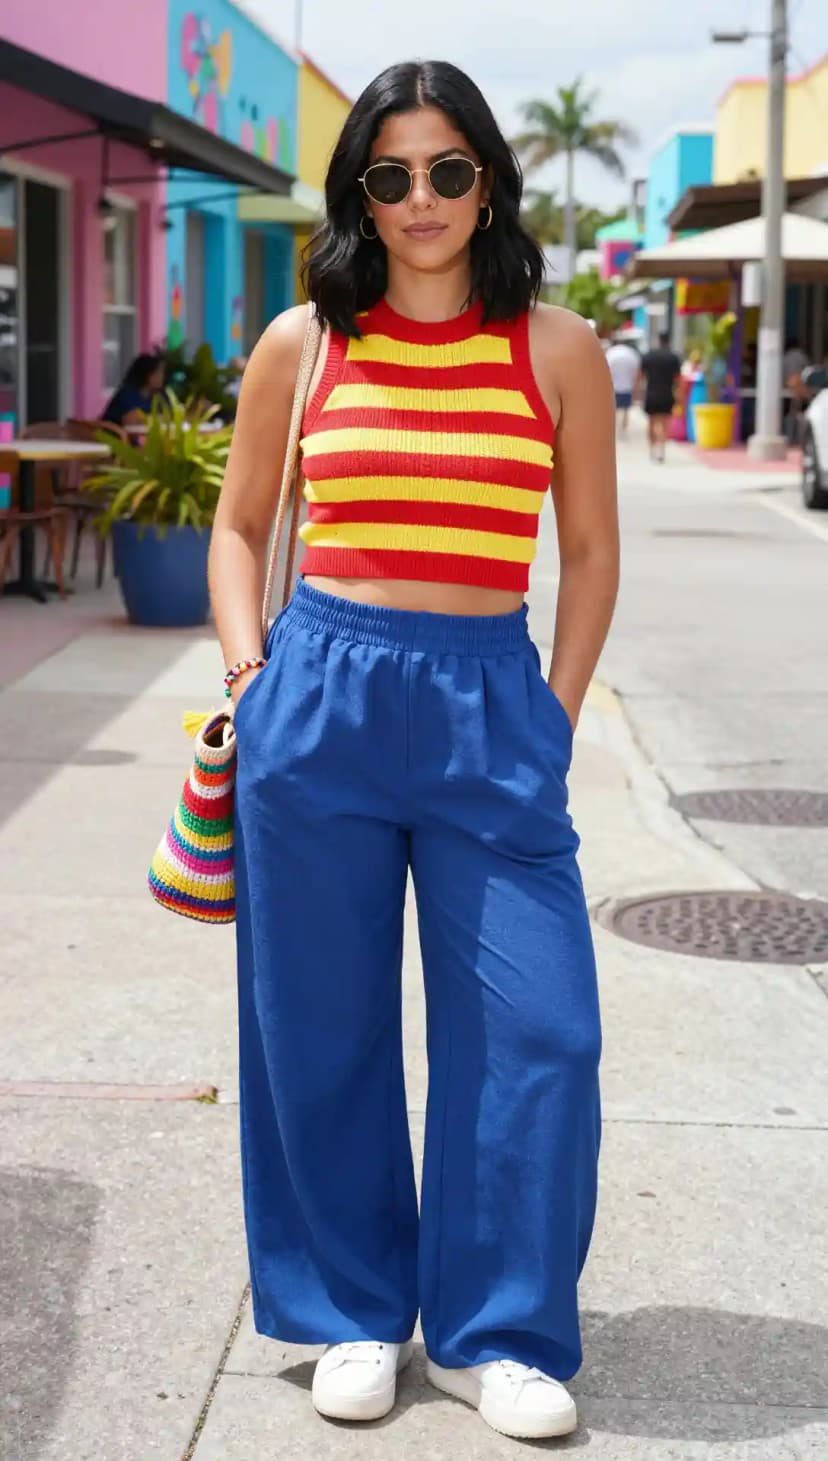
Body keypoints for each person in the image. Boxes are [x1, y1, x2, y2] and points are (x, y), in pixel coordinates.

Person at [209, 59, 618, 1443]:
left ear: (487, 179)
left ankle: (499, 1328)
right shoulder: (303, 344)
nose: (422, 198)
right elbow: (238, 525)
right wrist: (253, 677)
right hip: (318, 699)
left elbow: (593, 551)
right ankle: (351, 1311)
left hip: (491, 706)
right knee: (315, 1030)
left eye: (448, 170)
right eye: (391, 175)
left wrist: (552, 716)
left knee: (543, 1031)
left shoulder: (554, 348)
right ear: (360, 196)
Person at [639, 331, 681, 461]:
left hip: (651, 393)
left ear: (659, 340)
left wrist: (639, 392)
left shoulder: (649, 356)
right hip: (666, 393)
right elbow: (678, 379)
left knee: (651, 422)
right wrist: (679, 396)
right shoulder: (673, 357)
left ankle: (652, 449)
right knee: (664, 423)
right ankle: (661, 450)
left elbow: (640, 376)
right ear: (669, 341)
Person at [102, 354, 164, 426]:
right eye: (157, 373)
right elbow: (131, 421)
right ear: (146, 374)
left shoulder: (156, 396)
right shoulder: (127, 394)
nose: (161, 377)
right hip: (113, 435)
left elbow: (166, 416)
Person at [605, 336, 640, 435]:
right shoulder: (631, 353)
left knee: (613, 409)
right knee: (625, 410)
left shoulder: (611, 353)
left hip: (613, 386)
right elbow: (636, 372)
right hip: (627, 386)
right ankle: (623, 428)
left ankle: (615, 428)